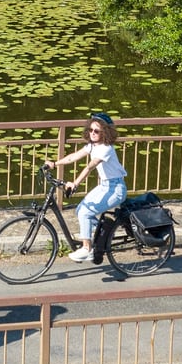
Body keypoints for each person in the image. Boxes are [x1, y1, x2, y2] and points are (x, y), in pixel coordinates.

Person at [55, 111, 126, 263]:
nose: (92, 133)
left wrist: (75, 183)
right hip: (105, 186)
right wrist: (54, 164)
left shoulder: (106, 148)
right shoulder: (92, 146)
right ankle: (106, 230)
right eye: (90, 130)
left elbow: (90, 166)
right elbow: (73, 157)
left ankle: (87, 249)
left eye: (96, 131)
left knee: (86, 213)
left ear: (105, 132)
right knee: (81, 210)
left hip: (115, 189)